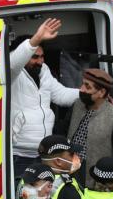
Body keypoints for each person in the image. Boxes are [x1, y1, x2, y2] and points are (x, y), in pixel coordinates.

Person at [8, 18, 79, 175]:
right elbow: (14, 62)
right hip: (17, 156)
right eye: (34, 57)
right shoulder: (11, 72)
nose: (40, 61)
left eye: (42, 56)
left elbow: (61, 95)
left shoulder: (44, 71)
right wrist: (36, 39)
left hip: (44, 154)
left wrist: (86, 93)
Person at [68, 68, 113, 181]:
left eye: (87, 86)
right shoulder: (76, 106)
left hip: (96, 182)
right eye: (82, 84)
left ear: (102, 92)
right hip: (70, 175)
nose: (81, 89)